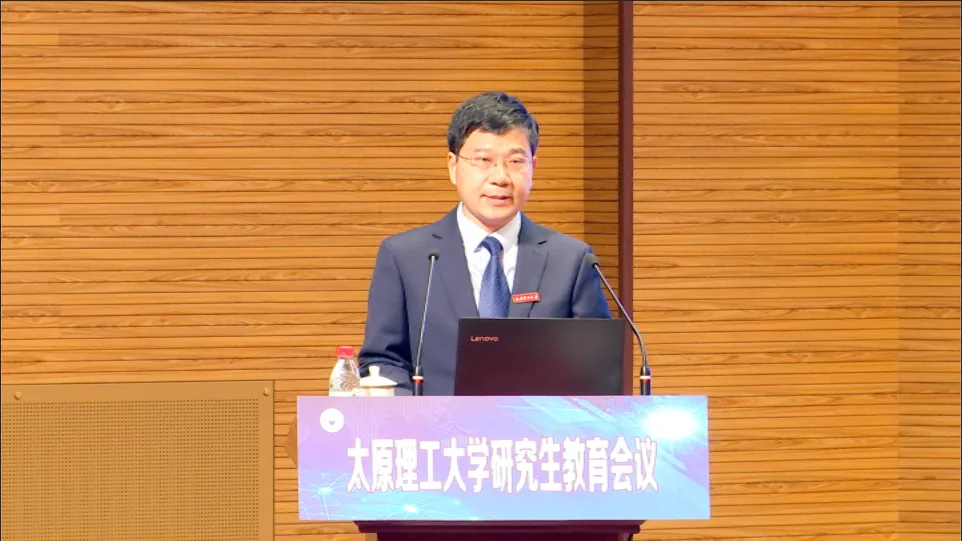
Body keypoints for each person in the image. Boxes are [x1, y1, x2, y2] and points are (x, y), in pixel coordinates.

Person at [357, 91, 611, 396]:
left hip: (539, 425)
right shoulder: (405, 257)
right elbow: (383, 362)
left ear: (533, 166)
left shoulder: (571, 260)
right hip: (434, 425)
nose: (500, 177)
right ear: (453, 166)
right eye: (483, 160)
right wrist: (420, 416)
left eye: (515, 161)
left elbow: (597, 368)